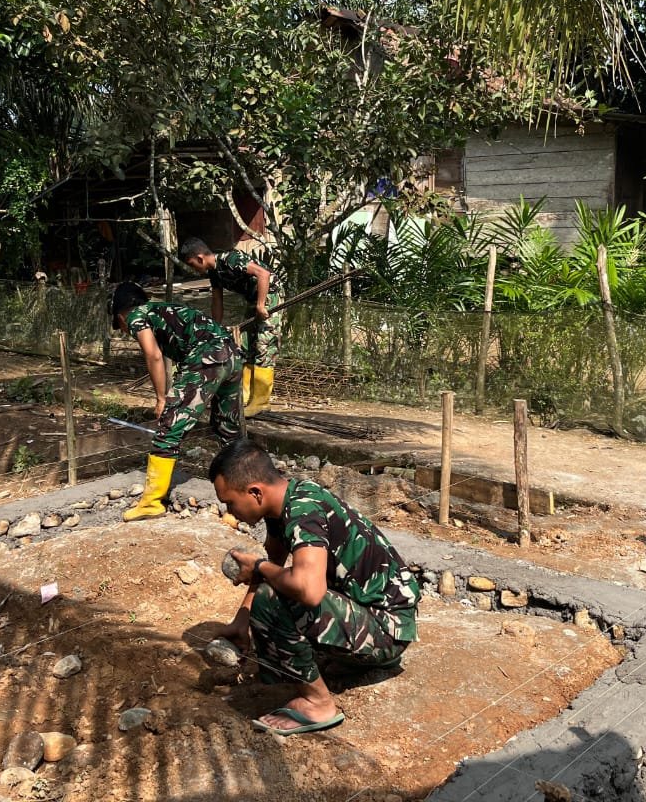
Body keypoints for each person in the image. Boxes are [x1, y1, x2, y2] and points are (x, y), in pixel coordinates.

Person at [210, 439, 420, 736]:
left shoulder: (303, 511)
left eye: (230, 502)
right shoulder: (284, 502)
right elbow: (274, 562)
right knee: (275, 587)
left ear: (255, 492)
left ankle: (317, 703)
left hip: (388, 630)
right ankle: (351, 657)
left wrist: (257, 567)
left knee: (275, 597)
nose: (229, 511)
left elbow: (308, 590)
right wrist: (242, 620)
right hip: (376, 616)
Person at [108, 282, 242, 521]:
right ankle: (242, 497)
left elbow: (153, 355)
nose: (126, 331)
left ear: (121, 316)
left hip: (207, 358)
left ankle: (151, 503)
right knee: (228, 428)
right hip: (232, 355)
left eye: (121, 327)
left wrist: (161, 398)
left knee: (169, 426)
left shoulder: (136, 316)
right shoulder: (164, 310)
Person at [179, 238, 281, 417]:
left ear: (200, 258)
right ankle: (244, 396)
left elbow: (263, 274)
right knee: (247, 346)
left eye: (193, 264)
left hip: (269, 295)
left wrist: (261, 305)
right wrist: (215, 328)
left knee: (264, 345)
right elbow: (217, 301)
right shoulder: (214, 273)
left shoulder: (230, 260)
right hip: (252, 300)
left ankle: (261, 402)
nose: (194, 269)